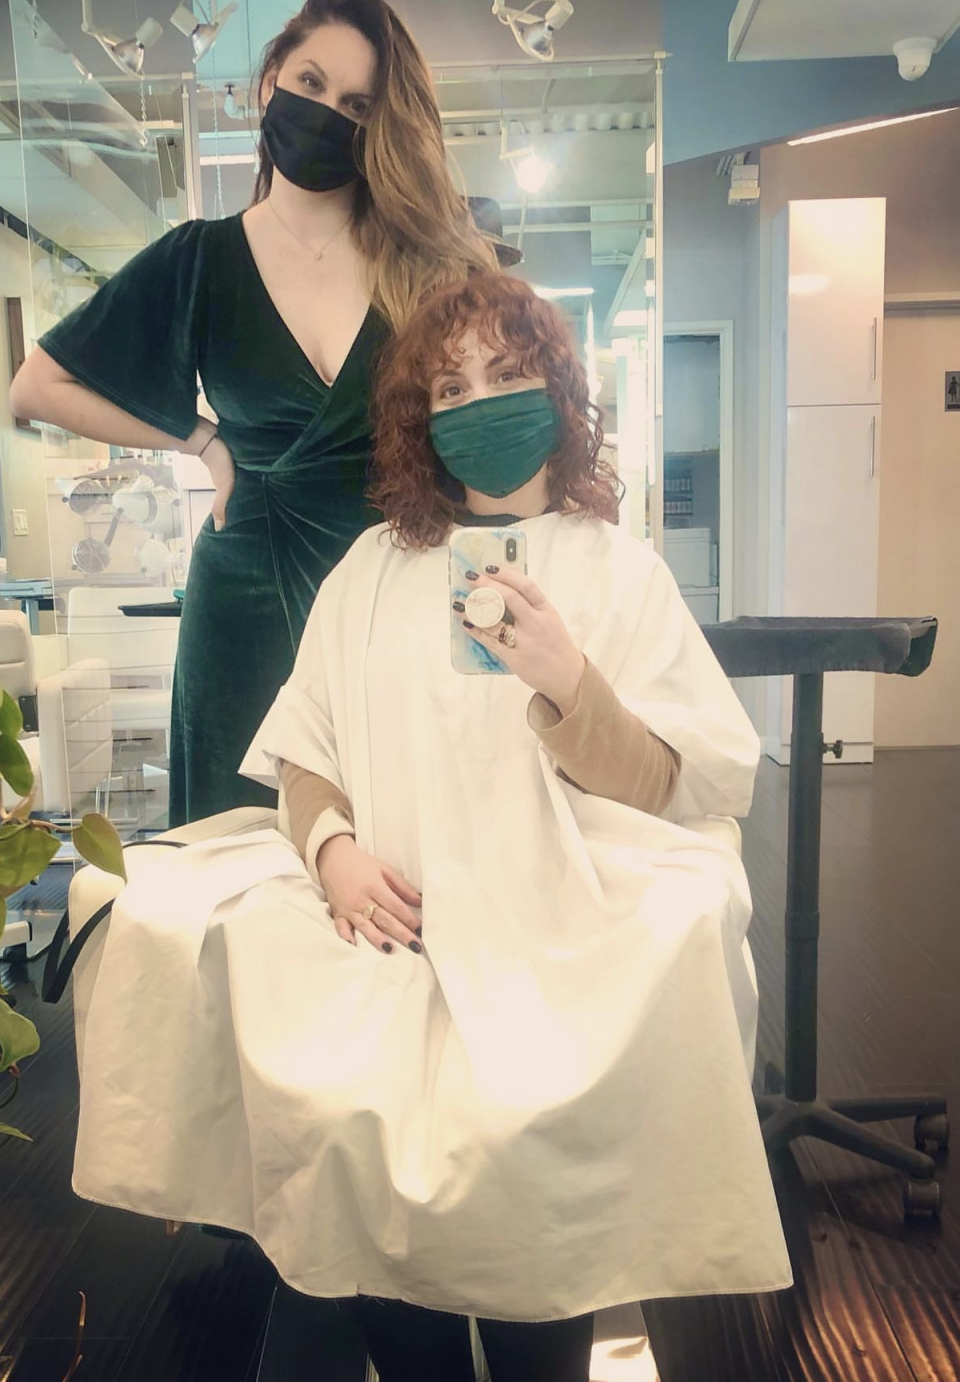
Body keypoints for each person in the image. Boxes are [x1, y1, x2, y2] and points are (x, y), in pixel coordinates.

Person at [73, 274, 793, 1380]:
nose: (481, 403)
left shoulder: (618, 571)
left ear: (556, 391)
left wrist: (569, 684)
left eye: (507, 375)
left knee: (527, 1162)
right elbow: (303, 753)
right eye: (450, 388)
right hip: (392, 919)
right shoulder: (373, 569)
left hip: (560, 926)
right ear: (420, 418)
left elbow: (673, 783)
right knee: (352, 1132)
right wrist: (332, 853)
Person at [8, 0, 495, 826]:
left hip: (396, 582)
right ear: (270, 81)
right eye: (311, 84)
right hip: (242, 599)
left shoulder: (427, 268)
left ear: (380, 125)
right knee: (236, 846)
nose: (327, 114)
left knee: (397, 844)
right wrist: (201, 440)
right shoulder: (199, 259)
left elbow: (483, 435)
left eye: (357, 105)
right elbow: (38, 384)